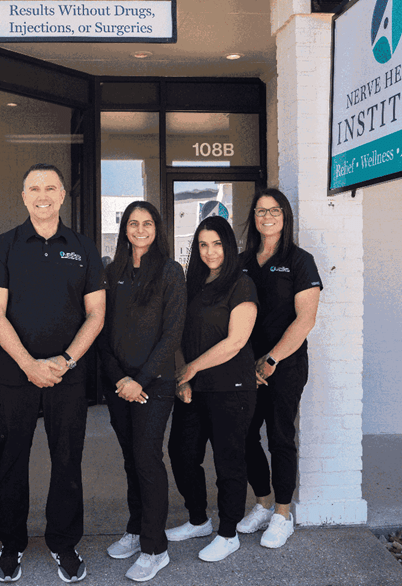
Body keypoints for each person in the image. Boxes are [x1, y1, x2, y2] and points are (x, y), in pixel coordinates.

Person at [0, 163, 106, 583]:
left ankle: (64, 542)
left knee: (67, 460)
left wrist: (66, 361)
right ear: (23, 197)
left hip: (66, 376)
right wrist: (29, 364)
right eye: (34, 188)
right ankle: (10, 543)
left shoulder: (83, 247)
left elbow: (96, 313)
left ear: (62, 196)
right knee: (11, 460)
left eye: (50, 188)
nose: (42, 195)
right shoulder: (5, 245)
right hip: (15, 374)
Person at [97, 201, 185, 582]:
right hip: (119, 385)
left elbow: (172, 333)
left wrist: (140, 380)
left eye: (147, 223)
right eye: (133, 223)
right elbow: (101, 330)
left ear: (157, 228)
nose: (140, 229)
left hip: (155, 384)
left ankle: (154, 548)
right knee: (131, 458)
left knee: (147, 459)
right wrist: (120, 378)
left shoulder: (170, 271)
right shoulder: (112, 271)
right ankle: (136, 529)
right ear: (125, 230)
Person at [165, 216, 259, 563]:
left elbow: (236, 341)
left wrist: (191, 368)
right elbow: (176, 333)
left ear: (229, 246)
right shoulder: (191, 283)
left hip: (231, 388)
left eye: (217, 244)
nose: (210, 252)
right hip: (194, 388)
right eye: (203, 245)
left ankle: (228, 533)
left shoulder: (242, 284)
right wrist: (183, 377)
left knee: (228, 461)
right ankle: (199, 520)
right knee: (181, 453)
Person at [236, 189, 322, 549]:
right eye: (260, 211)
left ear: (285, 217)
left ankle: (283, 515)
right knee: (244, 435)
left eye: (274, 211)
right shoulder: (242, 261)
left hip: (284, 364)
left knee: (280, 437)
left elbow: (306, 319)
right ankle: (263, 503)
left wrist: (271, 359)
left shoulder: (300, 261)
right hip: (245, 366)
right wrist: (247, 362)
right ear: (253, 217)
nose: (267, 217)